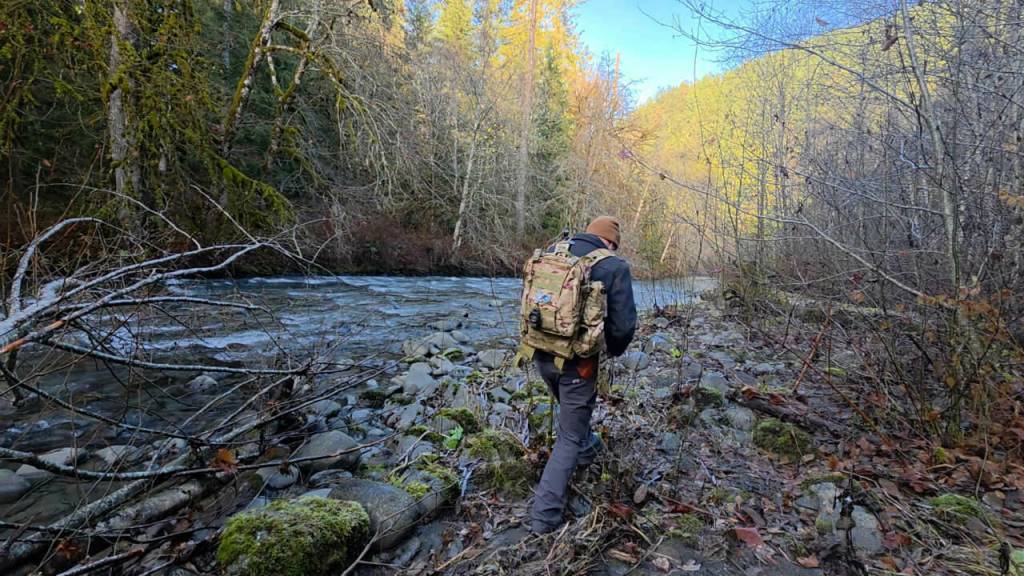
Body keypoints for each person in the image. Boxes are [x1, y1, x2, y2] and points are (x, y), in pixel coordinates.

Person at [530, 215, 637, 534]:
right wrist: (613, 351)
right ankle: (544, 519)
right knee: (569, 436)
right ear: (610, 242)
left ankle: (590, 451)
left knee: (572, 417)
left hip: (540, 352)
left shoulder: (554, 250)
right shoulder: (614, 266)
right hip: (579, 363)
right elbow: (623, 327)